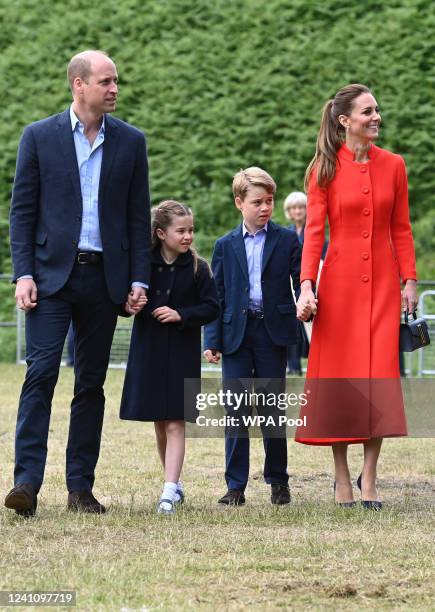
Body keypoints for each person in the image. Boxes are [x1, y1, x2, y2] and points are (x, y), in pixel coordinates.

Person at [5, 50, 151, 517]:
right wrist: (23, 273)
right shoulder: (39, 137)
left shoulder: (131, 142)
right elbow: (22, 213)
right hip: (50, 278)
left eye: (115, 81)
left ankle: (80, 488)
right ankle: (26, 482)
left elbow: (135, 217)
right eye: (106, 81)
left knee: (90, 384)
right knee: (41, 373)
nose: (114, 89)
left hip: (104, 280)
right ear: (78, 85)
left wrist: (138, 279)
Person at [295, 84, 418, 510]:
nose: (376, 117)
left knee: (378, 379)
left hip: (384, 285)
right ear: (345, 120)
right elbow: (314, 234)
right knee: (340, 379)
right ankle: (342, 478)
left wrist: (410, 280)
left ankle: (371, 478)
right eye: (368, 112)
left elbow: (401, 228)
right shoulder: (323, 170)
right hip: (340, 286)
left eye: (377, 110)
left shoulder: (395, 166)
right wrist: (307, 283)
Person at [204, 167, 301, 506]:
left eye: (269, 201)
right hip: (236, 336)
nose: (265, 208)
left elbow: (302, 280)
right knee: (236, 410)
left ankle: (278, 479)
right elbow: (217, 296)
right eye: (257, 202)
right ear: (239, 203)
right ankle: (235, 486)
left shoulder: (288, 240)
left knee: (271, 410)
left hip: (272, 334)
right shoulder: (225, 246)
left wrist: (307, 299)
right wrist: (211, 341)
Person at [120, 201, 220, 515]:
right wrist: (130, 303)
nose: (188, 236)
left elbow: (212, 307)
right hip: (148, 349)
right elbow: (124, 301)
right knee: (160, 422)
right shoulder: (141, 266)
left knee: (177, 421)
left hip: (182, 351)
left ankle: (167, 491)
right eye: (182, 230)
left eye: (191, 229)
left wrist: (181, 314)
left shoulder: (198, 267)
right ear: (162, 233)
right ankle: (173, 483)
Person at [283, 191, 328, 375]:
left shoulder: (316, 232)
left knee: (313, 326)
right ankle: (293, 367)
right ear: (289, 211)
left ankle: (321, 366)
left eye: (301, 207)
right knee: (291, 325)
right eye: (294, 208)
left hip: (313, 285)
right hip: (292, 285)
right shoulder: (286, 233)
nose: (298, 211)